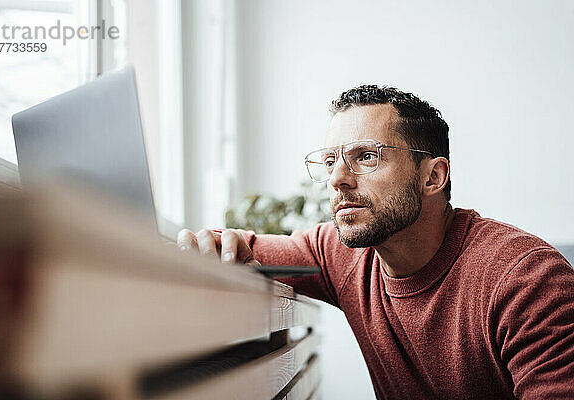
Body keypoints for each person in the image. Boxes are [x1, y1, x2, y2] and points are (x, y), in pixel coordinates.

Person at [177, 85, 574, 399]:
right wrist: (207, 247)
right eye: (331, 161)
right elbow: (238, 247)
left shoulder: (529, 280)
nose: (337, 179)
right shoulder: (340, 252)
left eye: (366, 156)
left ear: (433, 177)